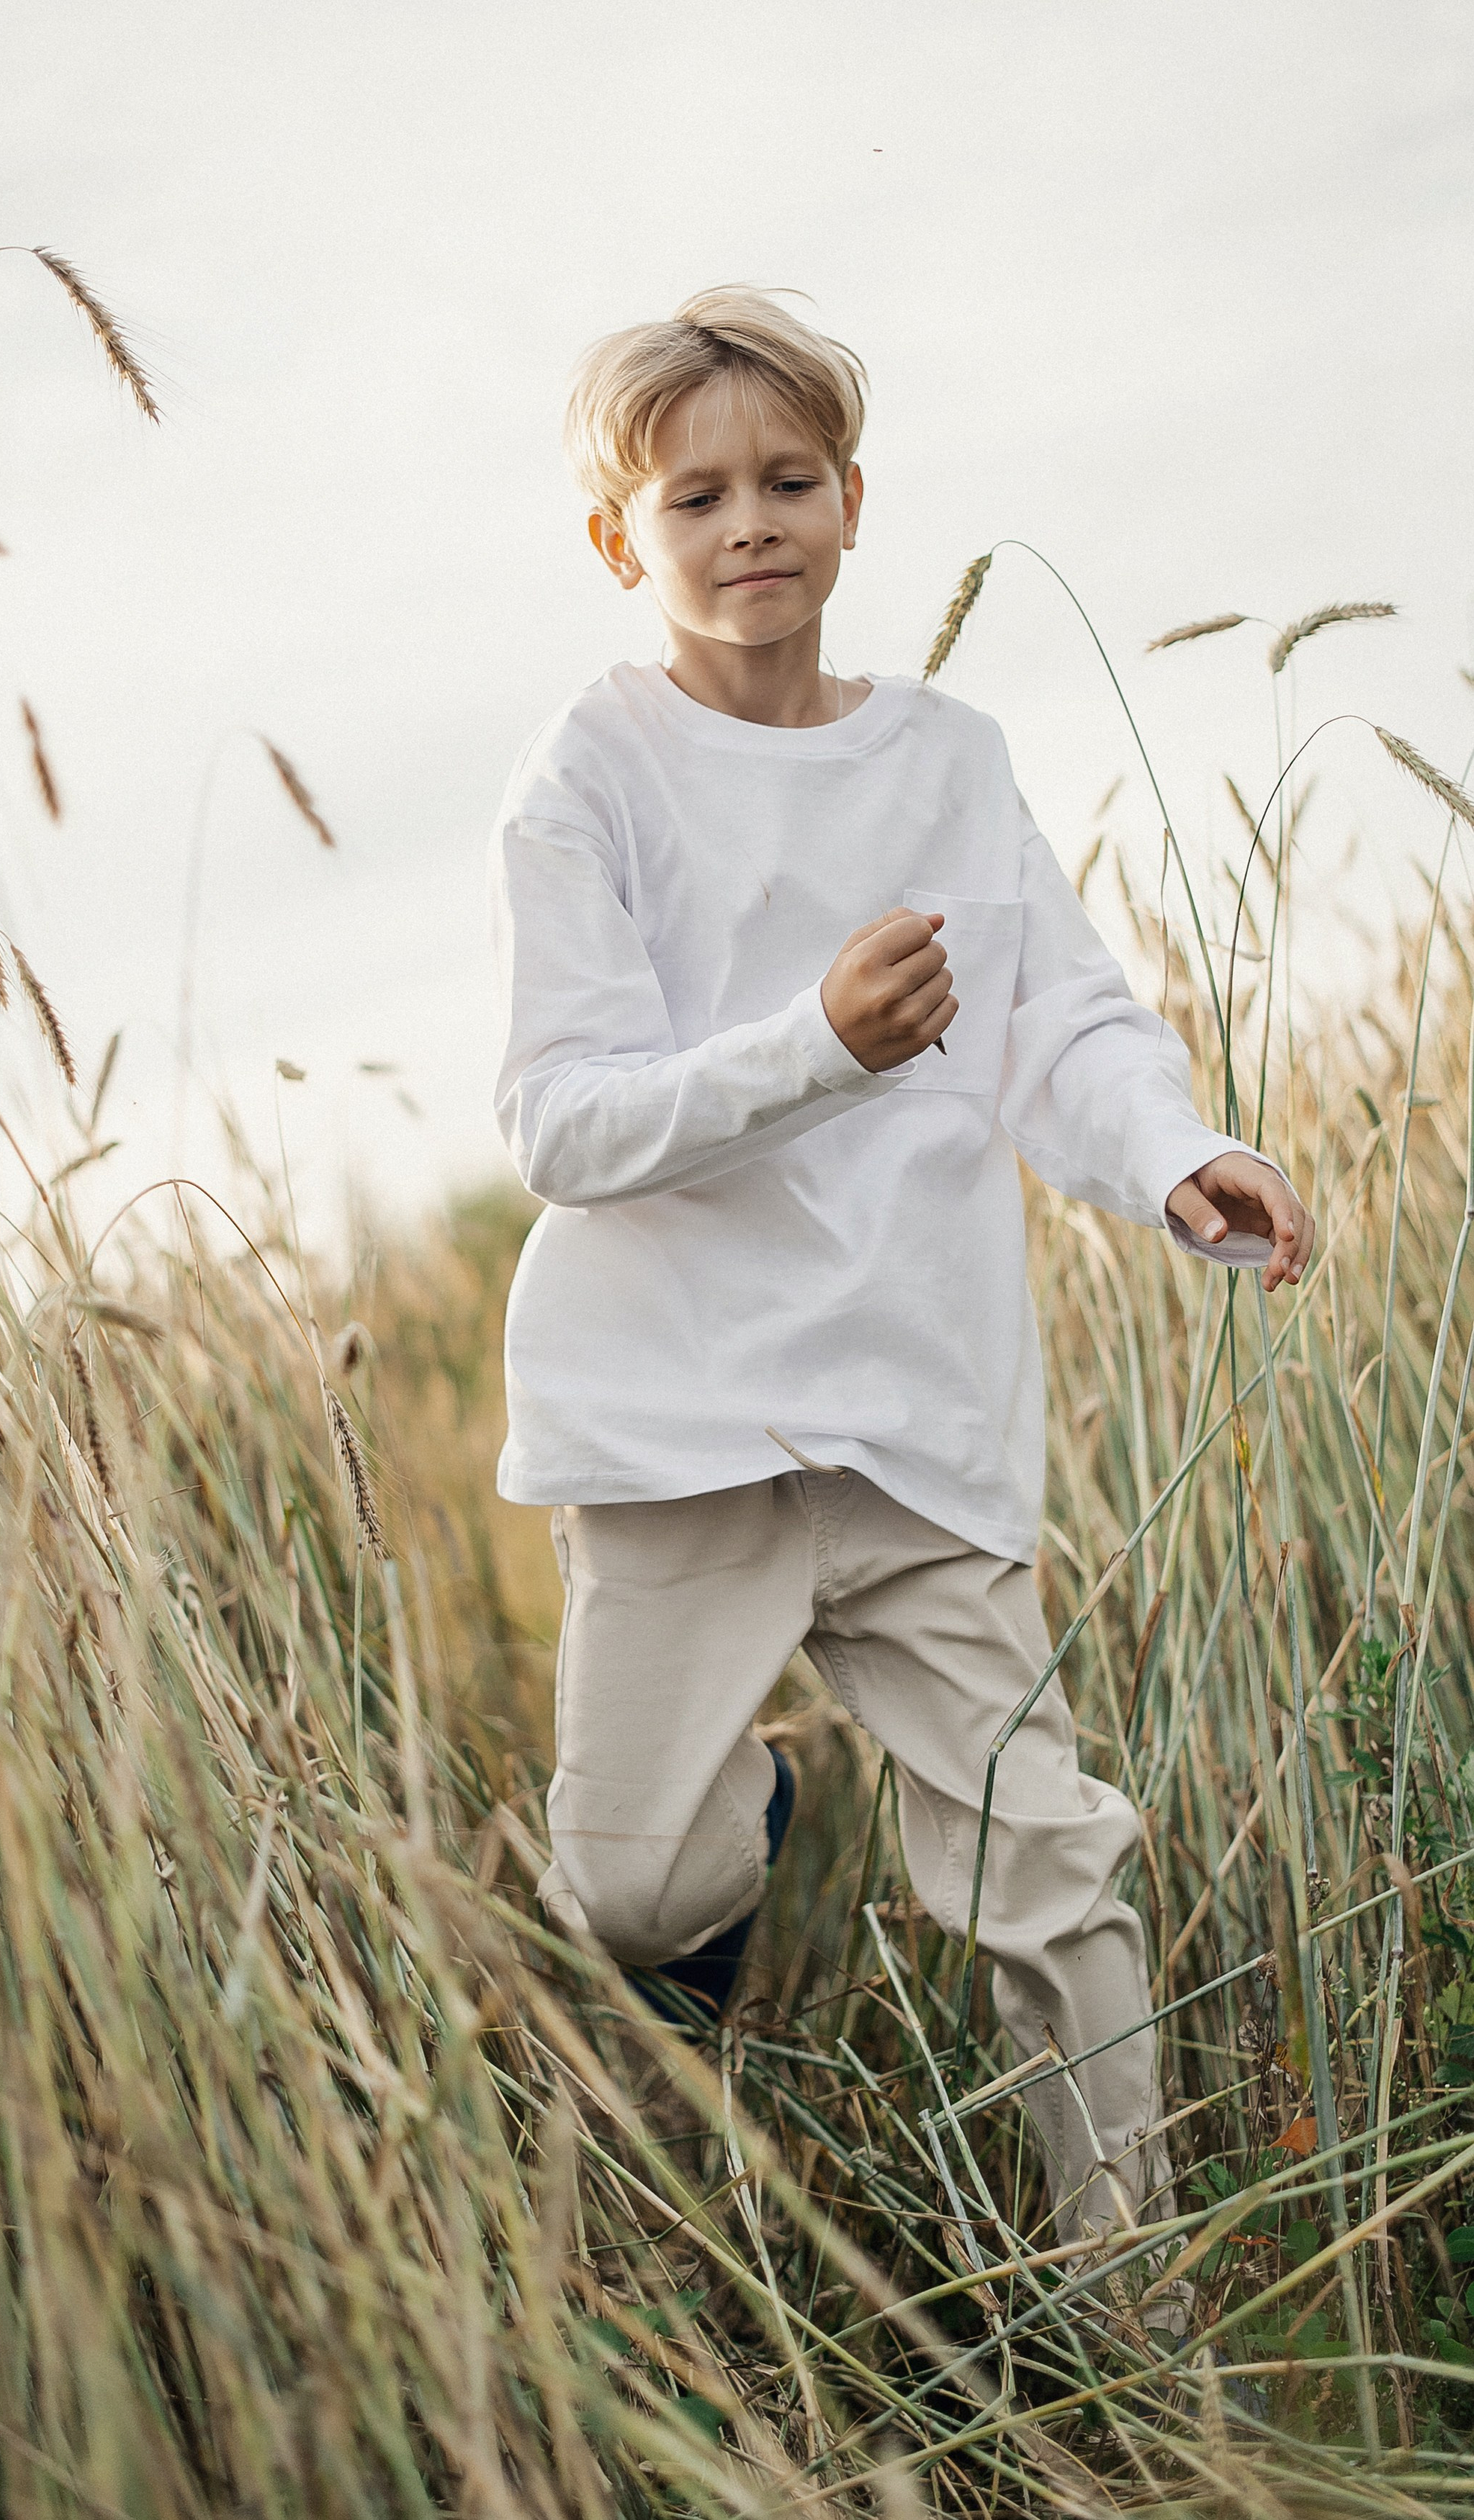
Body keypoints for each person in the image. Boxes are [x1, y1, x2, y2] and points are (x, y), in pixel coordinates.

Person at [487, 287, 1313, 2246]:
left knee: (1054, 1870)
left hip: (918, 1407)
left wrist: (1177, 1150)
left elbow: (1059, 1022)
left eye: (787, 480)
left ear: (854, 505)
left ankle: (1134, 2332)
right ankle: (739, 1819)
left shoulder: (948, 756)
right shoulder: (584, 779)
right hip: (677, 1416)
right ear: (623, 541)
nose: (747, 522)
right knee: (624, 1896)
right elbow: (560, 1123)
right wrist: (817, 1048)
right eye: (695, 496)